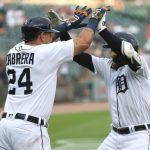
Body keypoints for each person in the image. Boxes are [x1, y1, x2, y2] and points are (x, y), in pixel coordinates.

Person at [0, 6, 108, 150]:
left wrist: (71, 22)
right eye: (48, 33)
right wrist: (94, 20)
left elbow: (50, 37)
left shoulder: (13, 51)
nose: (51, 36)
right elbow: (83, 43)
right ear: (41, 36)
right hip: (28, 129)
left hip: (5, 126)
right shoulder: (45, 52)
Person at [54, 8, 150, 150]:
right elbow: (78, 56)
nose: (110, 53)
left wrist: (102, 30)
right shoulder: (108, 66)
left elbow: (126, 51)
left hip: (138, 135)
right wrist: (63, 31)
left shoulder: (140, 69)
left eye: (112, 50)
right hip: (114, 135)